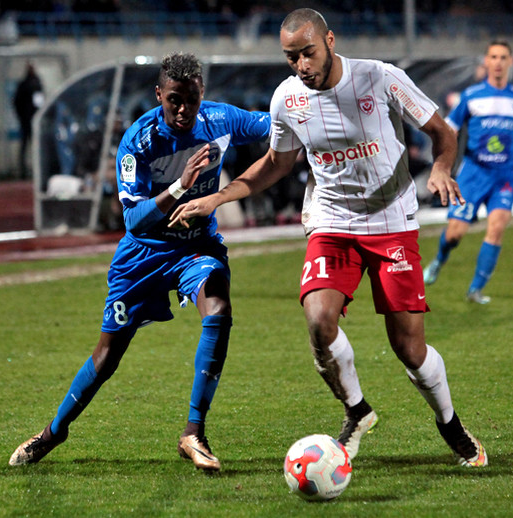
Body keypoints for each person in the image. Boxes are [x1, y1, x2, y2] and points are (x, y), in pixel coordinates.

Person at [170, 8, 487, 468]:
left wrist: (441, 168)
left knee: (410, 349)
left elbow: (443, 132)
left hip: (392, 221)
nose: (301, 65)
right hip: (332, 222)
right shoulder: (287, 99)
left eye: (307, 53)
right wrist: (218, 197)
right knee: (319, 319)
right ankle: (357, 412)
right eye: (291, 57)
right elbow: (277, 164)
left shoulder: (380, 79)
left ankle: (449, 423)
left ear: (330, 41)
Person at [8, 53, 271, 472]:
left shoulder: (221, 120)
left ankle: (193, 432)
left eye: (190, 99)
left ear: (202, 92)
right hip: (143, 253)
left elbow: (280, 123)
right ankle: (53, 432)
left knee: (218, 307)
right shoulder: (138, 140)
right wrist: (181, 187)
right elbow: (132, 218)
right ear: (158, 95)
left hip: (195, 247)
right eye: (173, 101)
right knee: (108, 354)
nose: (183, 110)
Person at [423, 40, 513, 304]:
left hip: (504, 177)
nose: (499, 62)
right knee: (455, 233)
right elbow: (450, 129)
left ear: (511, 61)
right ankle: (439, 259)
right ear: (486, 61)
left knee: (497, 228)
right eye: (494, 57)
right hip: (473, 174)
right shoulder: (472, 96)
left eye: (504, 57)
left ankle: (475, 290)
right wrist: (443, 164)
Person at [13, 63, 45, 178]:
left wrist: (21, 116)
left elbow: (16, 102)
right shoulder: (35, 84)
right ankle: (36, 170)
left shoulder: (23, 84)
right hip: (31, 120)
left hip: (26, 120)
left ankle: (25, 170)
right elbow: (39, 103)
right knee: (33, 146)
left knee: (26, 146)